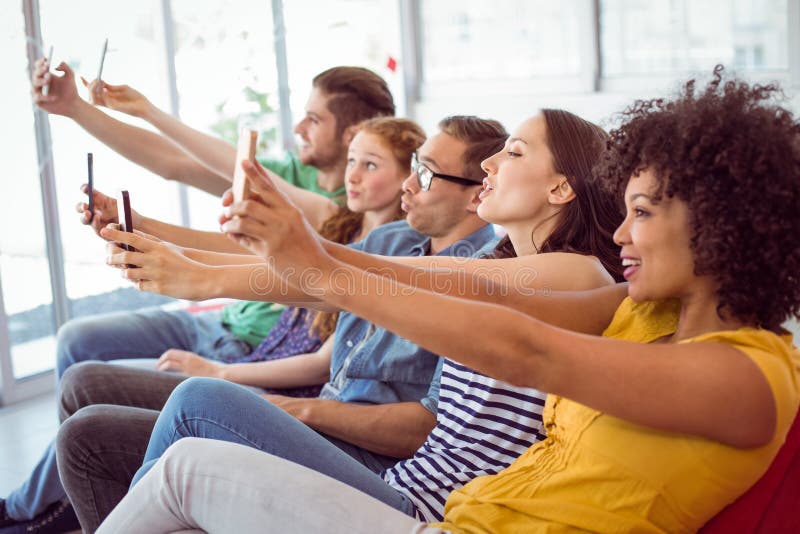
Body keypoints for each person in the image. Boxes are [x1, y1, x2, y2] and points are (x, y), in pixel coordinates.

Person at [99, 68, 799, 533]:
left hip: (442, 520)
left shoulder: (750, 376)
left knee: (192, 458)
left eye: (642, 212)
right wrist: (272, 264)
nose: (622, 231)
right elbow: (465, 287)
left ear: (717, 222)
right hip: (456, 516)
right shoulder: (639, 310)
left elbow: (525, 350)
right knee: (184, 453)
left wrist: (310, 269)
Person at [121, 109, 625, 526]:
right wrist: (192, 266)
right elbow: (354, 277)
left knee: (199, 402)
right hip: (405, 485)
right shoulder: (504, 262)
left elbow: (373, 278)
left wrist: (208, 277)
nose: (491, 163)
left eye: (513, 152)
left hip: (426, 510)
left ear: (561, 189)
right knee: (170, 422)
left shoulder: (577, 274)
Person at [55, 116, 506, 532]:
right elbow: (305, 278)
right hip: (320, 416)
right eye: (412, 167)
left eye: (424, 174)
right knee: (86, 433)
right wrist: (163, 249)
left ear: (477, 194)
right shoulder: (395, 238)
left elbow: (423, 425)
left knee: (189, 401)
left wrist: (287, 406)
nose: (409, 184)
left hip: (365, 454)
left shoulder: (483, 280)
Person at [2, 62, 395, 531]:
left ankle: (46, 507)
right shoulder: (338, 215)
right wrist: (79, 113)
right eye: (355, 162)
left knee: (92, 403)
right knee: (77, 348)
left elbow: (296, 284)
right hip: (224, 326)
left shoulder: (360, 231)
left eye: (315, 119)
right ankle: (63, 499)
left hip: (252, 353)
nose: (298, 127)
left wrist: (216, 350)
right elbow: (195, 177)